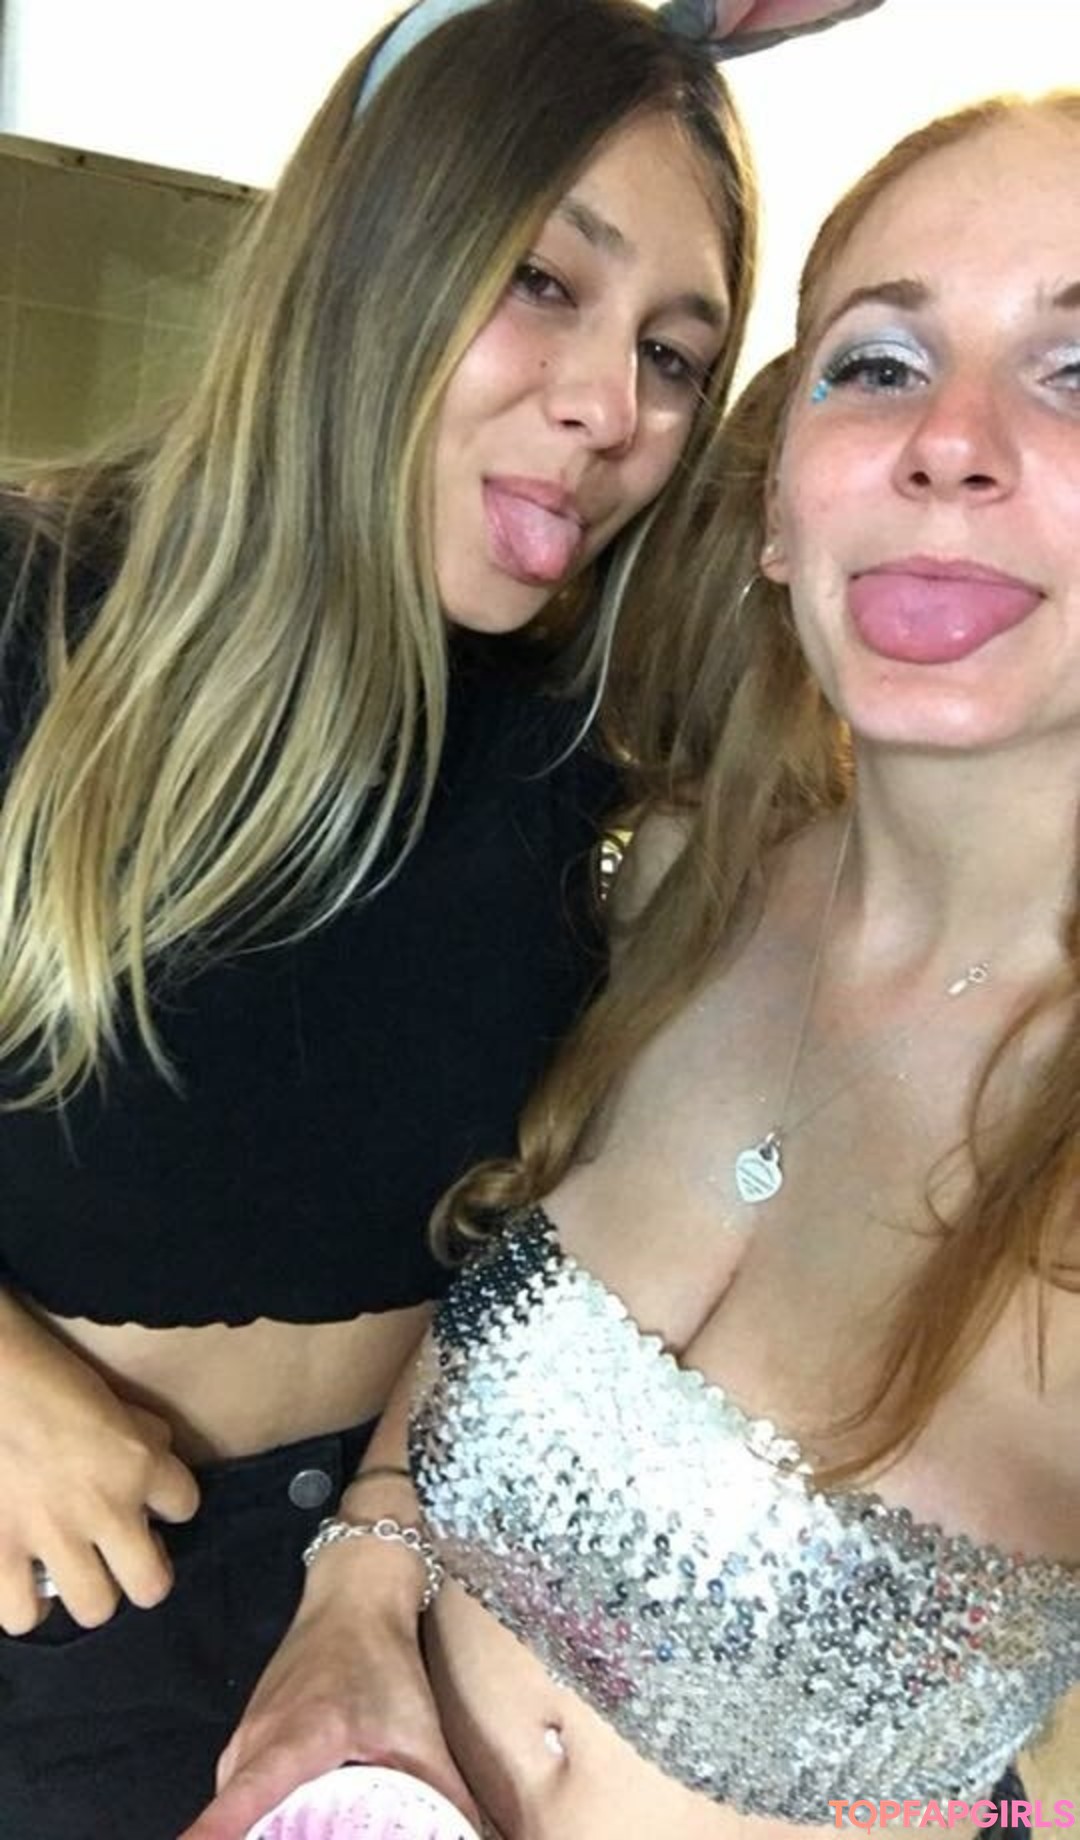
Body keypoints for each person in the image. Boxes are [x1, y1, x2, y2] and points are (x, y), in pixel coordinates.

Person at [0, 2, 893, 1835]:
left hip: (388, 1603)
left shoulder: (582, 752)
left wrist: (383, 1543)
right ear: (373, 249)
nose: (614, 410)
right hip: (42, 1573)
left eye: (673, 351)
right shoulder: (29, 601)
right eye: (543, 283)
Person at [199, 86, 1080, 1840]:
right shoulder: (667, 884)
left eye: (1078, 372)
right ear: (776, 514)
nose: (951, 443)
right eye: (881, 364)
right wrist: (356, 1588)